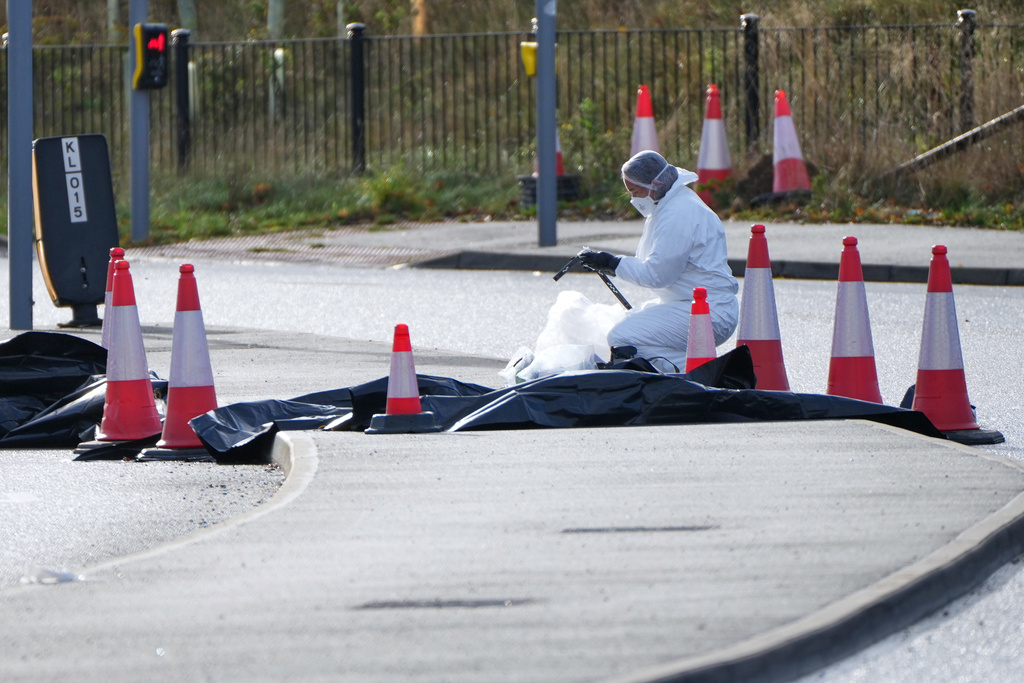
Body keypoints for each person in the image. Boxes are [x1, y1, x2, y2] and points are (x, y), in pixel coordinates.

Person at [577, 149, 739, 372]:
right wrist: (610, 264)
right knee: (627, 323)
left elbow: (657, 275)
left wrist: (612, 264)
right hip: (695, 304)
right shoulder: (669, 204)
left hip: (709, 312)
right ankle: (690, 370)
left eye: (634, 191)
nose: (633, 199)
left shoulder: (678, 212)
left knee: (623, 337)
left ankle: (704, 372)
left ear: (654, 183)